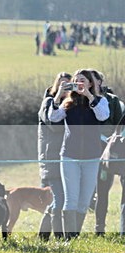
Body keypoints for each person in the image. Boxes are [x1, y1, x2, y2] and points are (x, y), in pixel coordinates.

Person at [47, 69, 110, 238]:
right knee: (71, 198)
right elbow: (53, 117)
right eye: (76, 80)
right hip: (69, 156)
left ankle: (75, 235)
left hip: (92, 157)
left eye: (82, 80)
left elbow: (103, 116)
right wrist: (59, 94)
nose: (79, 83)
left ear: (90, 83)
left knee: (84, 200)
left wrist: (90, 96)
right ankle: (70, 238)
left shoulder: (100, 101)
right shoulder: (68, 103)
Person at [38, 72, 72, 240]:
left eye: (69, 85)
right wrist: (58, 98)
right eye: (62, 84)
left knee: (59, 201)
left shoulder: (72, 105)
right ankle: (59, 238)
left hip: (68, 158)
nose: (65, 88)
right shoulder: (48, 103)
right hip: (52, 159)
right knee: (59, 200)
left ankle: (43, 236)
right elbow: (53, 125)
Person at [90, 69, 124, 235]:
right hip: (93, 153)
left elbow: (119, 124)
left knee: (113, 190)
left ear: (99, 82)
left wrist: (109, 139)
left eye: (92, 79)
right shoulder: (79, 101)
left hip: (114, 152)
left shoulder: (114, 101)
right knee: (101, 192)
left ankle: (122, 230)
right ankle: (99, 229)